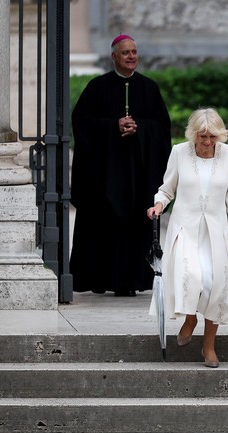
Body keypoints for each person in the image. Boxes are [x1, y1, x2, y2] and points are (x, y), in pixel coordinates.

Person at [70, 34, 171, 296]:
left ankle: (133, 280)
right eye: (125, 53)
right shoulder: (97, 87)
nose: (131, 57)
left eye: (134, 52)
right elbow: (81, 124)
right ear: (114, 56)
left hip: (139, 175)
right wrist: (113, 126)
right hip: (104, 175)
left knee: (136, 224)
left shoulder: (149, 88)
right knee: (103, 228)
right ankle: (100, 280)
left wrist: (140, 128)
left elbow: (162, 128)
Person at [146, 109, 228, 368]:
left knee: (215, 285)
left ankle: (208, 345)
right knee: (192, 277)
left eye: (212, 136)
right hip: (186, 228)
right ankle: (190, 319)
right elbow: (167, 189)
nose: (207, 142)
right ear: (194, 134)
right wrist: (158, 205)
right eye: (202, 136)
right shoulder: (179, 152)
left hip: (215, 230)